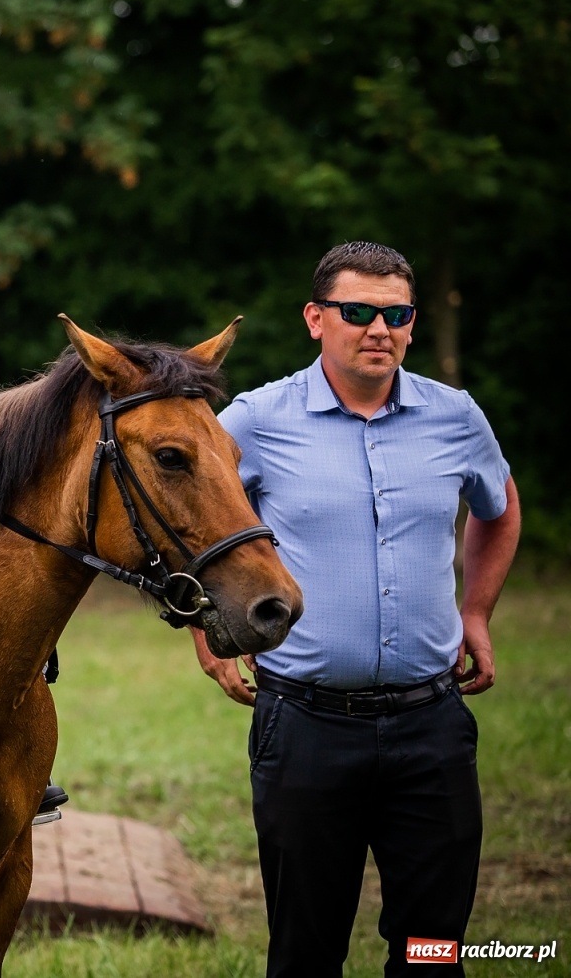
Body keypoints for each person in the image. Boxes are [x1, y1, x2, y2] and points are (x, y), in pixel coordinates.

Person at [193, 242, 521, 976]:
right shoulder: (253, 422)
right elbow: (191, 522)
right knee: (306, 951)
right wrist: (207, 627)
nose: (379, 328)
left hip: (431, 729)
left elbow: (499, 510)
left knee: (433, 950)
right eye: (359, 312)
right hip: (304, 727)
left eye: (396, 314)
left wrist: (477, 612)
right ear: (316, 319)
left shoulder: (455, 417)